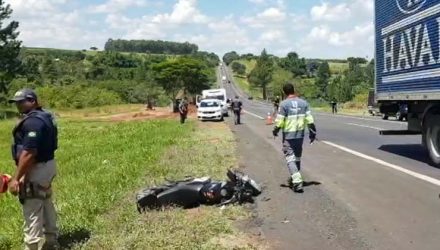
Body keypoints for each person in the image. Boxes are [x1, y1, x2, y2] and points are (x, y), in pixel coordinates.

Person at [8, 89, 59, 250]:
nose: (18, 105)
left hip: (37, 167)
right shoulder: (45, 115)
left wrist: (16, 178)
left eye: (21, 101)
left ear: (32, 100)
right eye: (16, 102)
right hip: (47, 165)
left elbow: (29, 152)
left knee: (31, 205)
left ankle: (32, 246)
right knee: (45, 201)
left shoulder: (33, 122)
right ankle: (51, 241)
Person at [272, 83, 317, 193]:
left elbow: (280, 121)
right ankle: (295, 178)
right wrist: (313, 134)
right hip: (300, 135)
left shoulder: (283, 104)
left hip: (289, 136)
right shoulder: (303, 103)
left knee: (290, 158)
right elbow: (310, 120)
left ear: (284, 92)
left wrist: (275, 131)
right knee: (297, 158)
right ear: (294, 90)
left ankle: (297, 182)